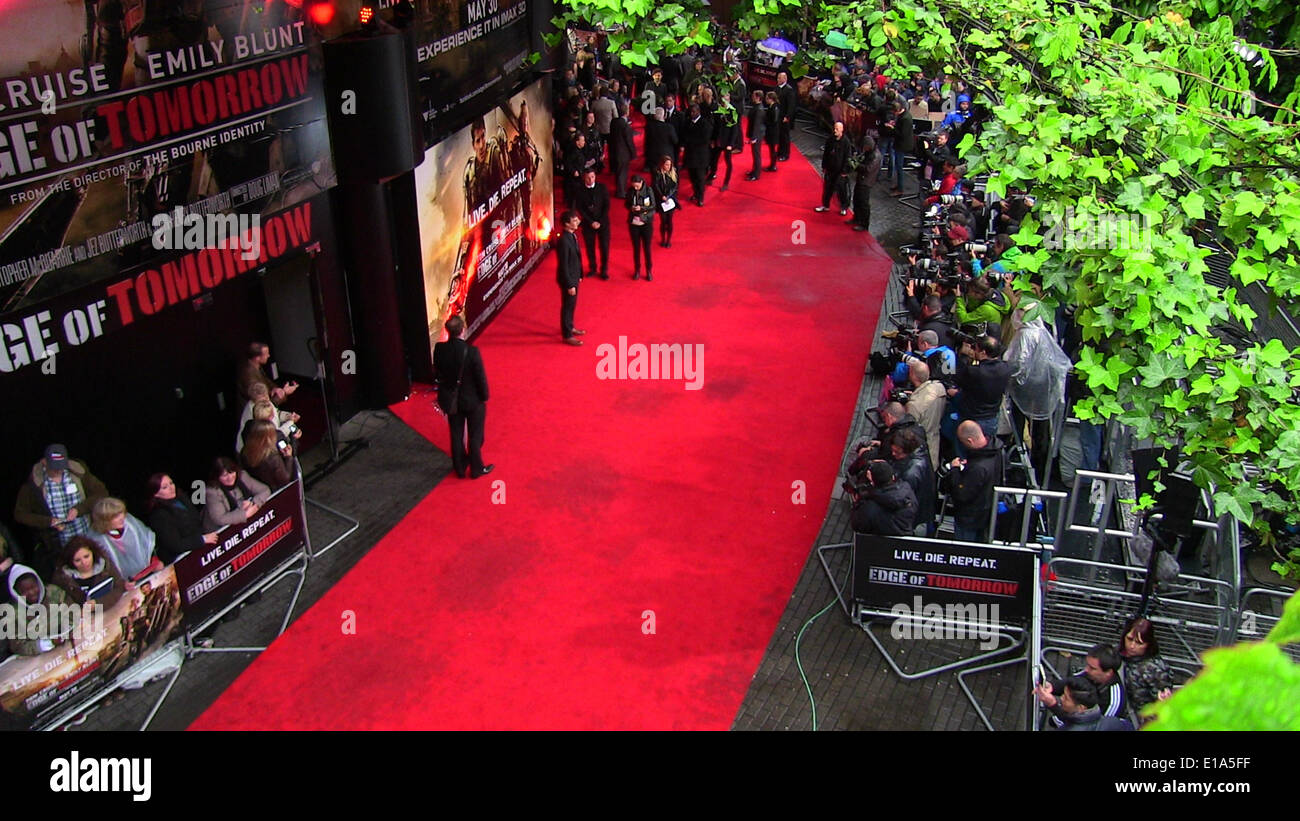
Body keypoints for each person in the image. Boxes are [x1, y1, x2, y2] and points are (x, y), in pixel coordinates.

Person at [14, 444, 109, 576]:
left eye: (61, 467)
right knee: (70, 575)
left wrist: (79, 509)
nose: (58, 471)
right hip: (60, 545)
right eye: (54, 468)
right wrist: (48, 522)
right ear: (44, 462)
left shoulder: (78, 473)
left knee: (97, 568)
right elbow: (20, 514)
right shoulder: (34, 485)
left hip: (87, 535)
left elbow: (101, 492)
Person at [434, 315, 494, 478]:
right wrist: (484, 396)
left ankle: (459, 467)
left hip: (452, 400)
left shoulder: (439, 349)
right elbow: (480, 377)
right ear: (463, 330)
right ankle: (476, 468)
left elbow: (438, 373)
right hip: (473, 401)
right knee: (475, 435)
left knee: (456, 434)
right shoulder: (472, 352)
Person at [942, 420, 1004, 543]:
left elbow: (962, 494)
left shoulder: (978, 468)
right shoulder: (997, 450)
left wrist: (955, 470)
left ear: (970, 441)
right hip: (987, 513)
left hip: (970, 518)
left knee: (965, 551)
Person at [1038, 644, 1128, 729]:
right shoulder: (1089, 673)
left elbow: (1092, 728)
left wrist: (1054, 707)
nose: (1086, 670)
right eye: (1087, 665)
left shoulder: (1113, 702)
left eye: (1092, 668)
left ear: (1108, 672)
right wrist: (1052, 687)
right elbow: (1072, 682)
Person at [949, 335, 1012, 444]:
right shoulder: (1005, 368)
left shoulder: (974, 372)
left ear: (983, 353)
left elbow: (956, 377)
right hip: (992, 417)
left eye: (976, 349)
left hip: (972, 418)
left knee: (966, 450)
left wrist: (964, 355)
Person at [145, 473, 219, 564]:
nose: (171, 487)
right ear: (156, 494)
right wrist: (202, 539)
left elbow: (196, 521)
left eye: (171, 483)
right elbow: (176, 545)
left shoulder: (181, 498)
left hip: (200, 550)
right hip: (182, 561)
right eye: (165, 487)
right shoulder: (159, 516)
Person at [6, 563, 72, 656]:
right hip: (39, 657)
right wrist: (48, 643)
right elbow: (18, 646)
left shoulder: (54, 593)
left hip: (68, 642)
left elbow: (71, 614)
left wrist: (66, 632)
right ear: (16, 593)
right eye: (25, 591)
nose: (32, 592)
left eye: (33, 587)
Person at [88, 497, 160, 581]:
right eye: (116, 516)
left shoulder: (130, 523)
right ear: (105, 521)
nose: (122, 517)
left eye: (121, 513)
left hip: (149, 573)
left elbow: (147, 543)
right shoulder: (96, 540)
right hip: (124, 585)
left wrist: (155, 562)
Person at [1119, 616, 1174, 723]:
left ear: (1148, 645)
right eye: (1129, 639)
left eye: (1139, 643)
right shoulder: (1118, 656)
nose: (1132, 646)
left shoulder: (1155, 670)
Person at [52, 536, 127, 609]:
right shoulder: (63, 579)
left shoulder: (105, 564)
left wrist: (98, 603)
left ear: (93, 553)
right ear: (70, 562)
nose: (84, 562)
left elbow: (120, 586)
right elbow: (62, 604)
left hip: (113, 609)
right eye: (78, 560)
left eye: (86, 556)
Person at [1037, 676, 1134, 731]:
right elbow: (1076, 720)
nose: (1061, 698)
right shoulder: (1114, 722)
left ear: (1081, 707)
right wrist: (1053, 704)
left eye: (1066, 698)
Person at [202, 457, 272, 531]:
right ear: (217, 477)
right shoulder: (212, 491)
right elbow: (219, 519)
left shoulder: (242, 476)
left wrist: (253, 503)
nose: (230, 478)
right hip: (221, 532)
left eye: (231, 472)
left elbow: (265, 490)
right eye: (224, 475)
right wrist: (245, 514)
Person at [849, 461, 917, 536]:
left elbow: (857, 525)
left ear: (873, 482)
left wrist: (856, 504)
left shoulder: (869, 509)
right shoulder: (908, 491)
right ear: (893, 477)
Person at [902, 360, 948, 471]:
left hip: (921, 444)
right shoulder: (939, 387)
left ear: (912, 375)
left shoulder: (913, 405)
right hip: (935, 435)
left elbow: (908, 430)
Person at [889, 428, 934, 536]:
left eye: (897, 452)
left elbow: (904, 498)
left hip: (916, 517)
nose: (893, 454)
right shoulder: (920, 449)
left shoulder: (911, 473)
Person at [575, 169, 611, 279]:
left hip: (603, 223)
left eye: (592, 177)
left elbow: (607, 205)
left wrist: (599, 221)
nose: (591, 180)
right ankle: (593, 268)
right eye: (588, 177)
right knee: (590, 247)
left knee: (604, 247)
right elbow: (580, 208)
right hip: (588, 224)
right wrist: (591, 222)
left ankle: (604, 270)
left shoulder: (602, 188)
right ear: (584, 178)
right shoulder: (580, 190)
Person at [556, 209, 585, 346]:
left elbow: (576, 258)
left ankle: (570, 326)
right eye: (574, 220)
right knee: (567, 306)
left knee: (572, 304)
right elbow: (563, 265)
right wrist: (569, 284)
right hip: (568, 279)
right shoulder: (563, 241)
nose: (578, 221)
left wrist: (579, 274)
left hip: (574, 276)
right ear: (567, 224)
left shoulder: (572, 236)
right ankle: (567, 334)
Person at [241, 419, 297, 489]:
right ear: (267, 438)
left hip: (263, 489)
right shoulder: (273, 458)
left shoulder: (244, 452)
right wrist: (288, 457)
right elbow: (285, 480)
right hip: (278, 490)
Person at [815, 121, 852, 215]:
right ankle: (825, 205)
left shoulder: (846, 142)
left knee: (842, 190)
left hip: (840, 171)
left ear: (842, 130)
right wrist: (824, 166)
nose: (834, 130)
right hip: (830, 169)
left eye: (837, 129)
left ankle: (843, 207)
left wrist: (844, 171)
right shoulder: (830, 139)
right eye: (834, 128)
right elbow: (826, 154)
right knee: (827, 188)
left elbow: (848, 157)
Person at [626, 175, 657, 281]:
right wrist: (631, 207)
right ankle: (637, 270)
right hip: (634, 223)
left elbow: (653, 206)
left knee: (647, 248)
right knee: (636, 248)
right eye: (634, 186)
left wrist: (642, 208)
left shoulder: (648, 190)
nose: (636, 188)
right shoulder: (630, 191)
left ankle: (649, 270)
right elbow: (626, 204)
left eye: (637, 186)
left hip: (646, 223)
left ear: (642, 183)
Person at [681, 103, 713, 206]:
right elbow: (684, 135)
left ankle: (700, 197)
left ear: (698, 112)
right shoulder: (687, 122)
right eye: (690, 112)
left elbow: (704, 139)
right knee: (692, 177)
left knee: (700, 178)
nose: (691, 113)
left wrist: (690, 141)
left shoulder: (705, 124)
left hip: (700, 157)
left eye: (694, 111)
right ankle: (695, 193)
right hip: (690, 156)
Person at [850, 135, 882, 232]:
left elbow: (868, 169)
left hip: (866, 181)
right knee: (856, 199)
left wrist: (856, 165)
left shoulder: (875, 155)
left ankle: (864, 224)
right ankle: (856, 218)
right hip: (862, 179)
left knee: (863, 203)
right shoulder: (869, 152)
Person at [886, 99, 915, 196]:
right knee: (898, 166)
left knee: (899, 167)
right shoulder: (903, 116)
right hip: (900, 144)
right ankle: (898, 185)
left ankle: (900, 189)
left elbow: (902, 134)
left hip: (902, 145)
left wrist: (892, 128)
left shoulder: (906, 118)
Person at [608, 103, 636, 198]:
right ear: (627, 112)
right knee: (622, 173)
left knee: (618, 172)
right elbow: (629, 141)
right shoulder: (625, 126)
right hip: (623, 153)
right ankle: (621, 192)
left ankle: (620, 190)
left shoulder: (613, 122)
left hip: (613, 151)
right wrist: (633, 154)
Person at [652, 156, 679, 248]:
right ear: (662, 164)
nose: (668, 166)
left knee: (670, 220)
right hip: (661, 201)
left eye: (670, 165)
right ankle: (663, 239)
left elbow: (675, 186)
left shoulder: (674, 172)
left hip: (670, 200)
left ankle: (668, 240)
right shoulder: (657, 173)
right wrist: (662, 196)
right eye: (666, 165)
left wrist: (668, 196)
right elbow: (655, 186)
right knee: (663, 221)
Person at [643, 107, 678, 173]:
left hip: (652, 156)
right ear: (664, 116)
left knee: (655, 176)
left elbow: (647, 141)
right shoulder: (669, 127)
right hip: (666, 156)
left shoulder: (649, 126)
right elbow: (675, 141)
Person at [744, 88, 766, 181]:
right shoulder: (756, 107)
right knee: (755, 154)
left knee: (757, 154)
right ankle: (754, 170)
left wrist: (754, 137)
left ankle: (756, 174)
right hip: (755, 134)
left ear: (758, 97)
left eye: (753, 95)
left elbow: (757, 125)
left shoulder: (759, 109)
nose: (752, 97)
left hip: (757, 135)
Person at [774, 71, 796, 161]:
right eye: (778, 77)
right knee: (779, 135)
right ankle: (779, 152)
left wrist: (787, 116)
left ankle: (785, 154)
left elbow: (791, 105)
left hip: (784, 117)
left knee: (785, 136)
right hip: (778, 116)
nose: (778, 79)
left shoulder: (789, 90)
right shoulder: (776, 88)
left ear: (785, 79)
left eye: (780, 78)